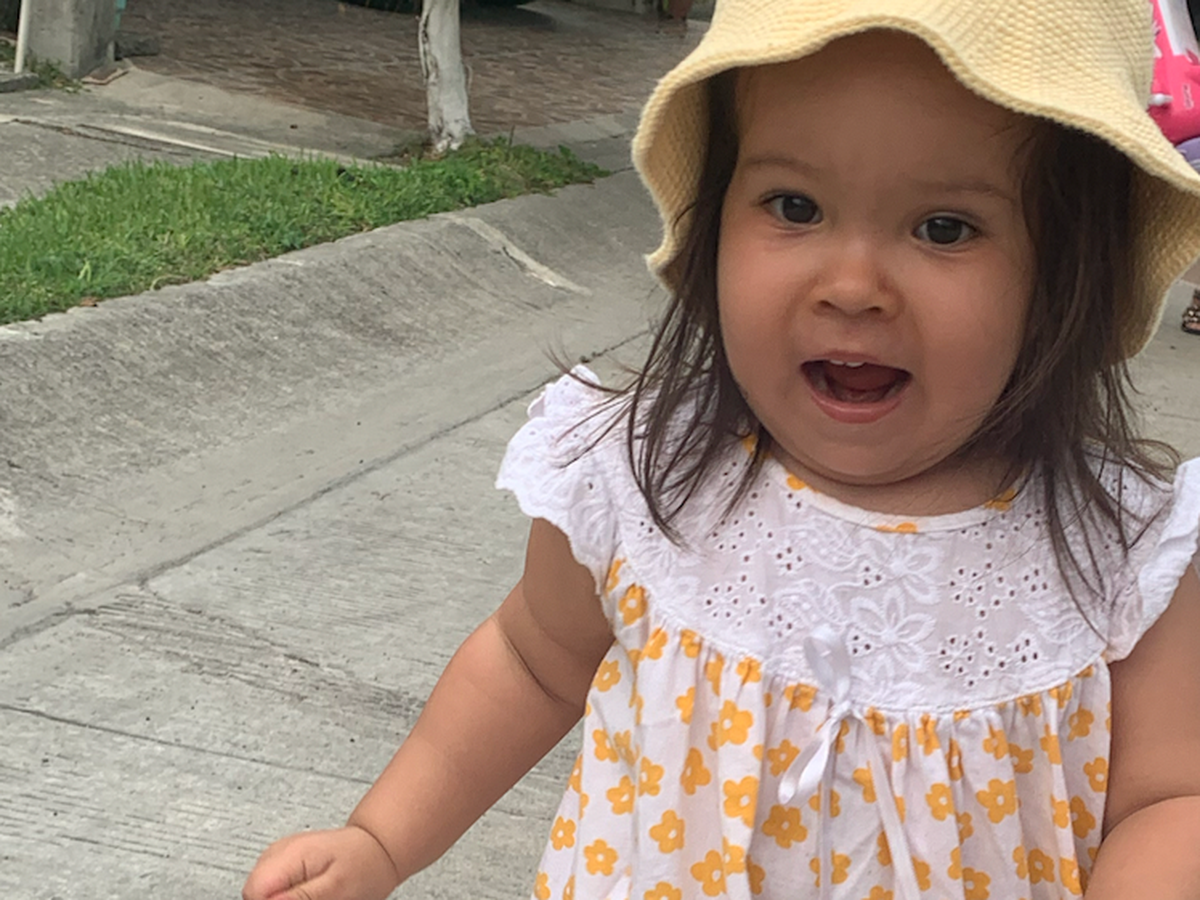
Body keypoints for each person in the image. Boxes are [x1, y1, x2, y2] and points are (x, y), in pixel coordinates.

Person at [243, 1, 1200, 898]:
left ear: (1066, 274)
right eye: (794, 207)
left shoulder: (1122, 555)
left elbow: (1167, 800)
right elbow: (531, 662)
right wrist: (381, 841)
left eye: (944, 228)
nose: (853, 284)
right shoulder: (644, 473)